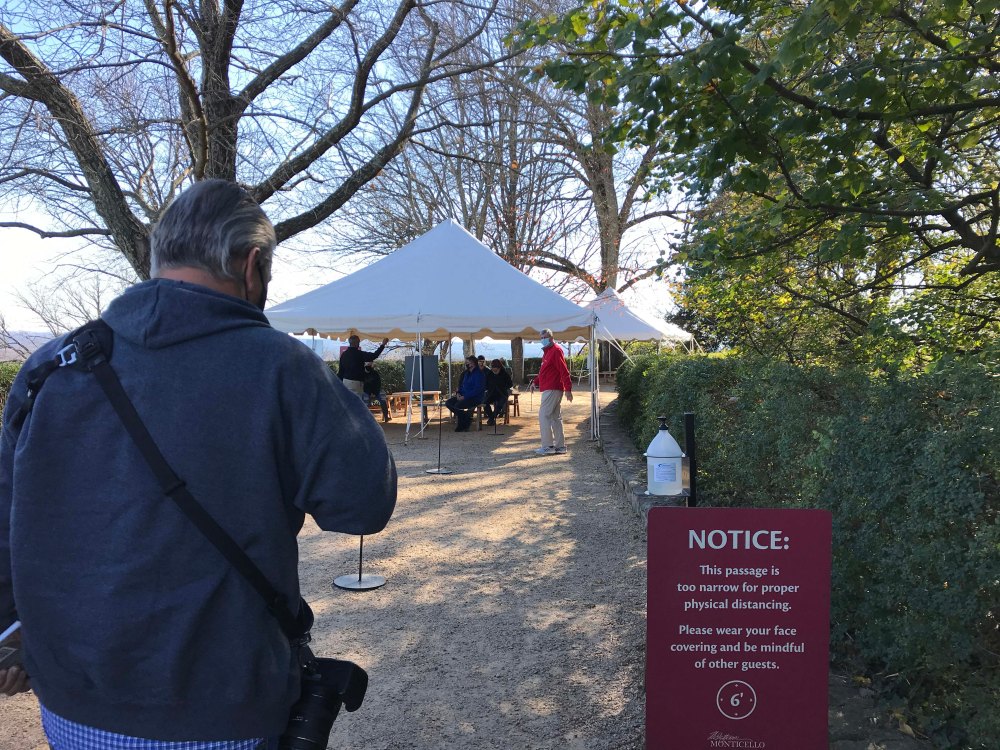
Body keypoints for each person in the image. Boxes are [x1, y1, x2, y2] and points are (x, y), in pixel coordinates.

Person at [0, 180, 397, 746]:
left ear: (158, 256)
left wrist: (9, 632)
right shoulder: (283, 368)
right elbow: (362, 505)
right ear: (253, 265)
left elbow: (6, 511)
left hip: (74, 702)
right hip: (223, 701)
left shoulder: (50, 367)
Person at [528, 327, 573, 455]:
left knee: (544, 415)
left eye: (545, 337)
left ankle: (547, 446)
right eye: (541, 338)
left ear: (551, 338)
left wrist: (568, 389)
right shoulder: (547, 352)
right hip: (551, 388)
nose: (543, 340)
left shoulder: (555, 350)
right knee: (555, 417)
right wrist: (535, 382)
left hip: (552, 388)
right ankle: (560, 446)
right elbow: (544, 371)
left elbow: (564, 370)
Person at [339, 334, 389, 398]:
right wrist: (383, 344)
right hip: (356, 382)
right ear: (356, 343)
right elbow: (374, 355)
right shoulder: (359, 354)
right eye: (358, 342)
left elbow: (341, 371)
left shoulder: (344, 354)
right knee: (357, 401)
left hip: (345, 382)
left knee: (348, 401)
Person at [445, 355, 485, 432]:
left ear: (473, 363)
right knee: (448, 403)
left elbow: (477, 390)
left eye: (468, 362)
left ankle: (462, 425)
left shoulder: (479, 374)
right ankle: (466, 418)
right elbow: (462, 385)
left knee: (458, 405)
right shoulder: (466, 373)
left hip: (475, 398)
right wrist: (458, 393)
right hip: (463, 396)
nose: (466, 364)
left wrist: (465, 397)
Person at [483, 358, 513, 426]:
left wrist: (503, 387)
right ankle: (491, 417)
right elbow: (485, 384)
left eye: (496, 368)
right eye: (493, 368)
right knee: (485, 403)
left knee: (500, 404)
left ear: (499, 368)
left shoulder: (504, 374)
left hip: (502, 394)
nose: (494, 370)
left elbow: (510, 384)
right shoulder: (489, 374)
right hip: (491, 393)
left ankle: (492, 418)